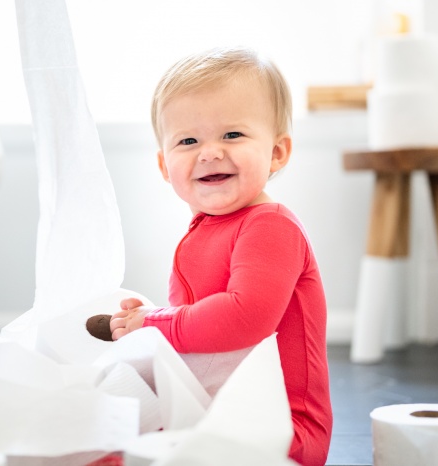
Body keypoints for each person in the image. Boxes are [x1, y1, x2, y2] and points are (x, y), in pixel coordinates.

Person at [109, 46, 332, 466]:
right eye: (188, 141)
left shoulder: (271, 226)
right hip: (220, 407)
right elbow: (200, 342)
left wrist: (156, 322)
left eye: (232, 135)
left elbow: (243, 317)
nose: (209, 152)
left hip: (281, 427)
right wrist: (148, 326)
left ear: (277, 152)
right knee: (111, 424)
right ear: (164, 165)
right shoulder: (205, 230)